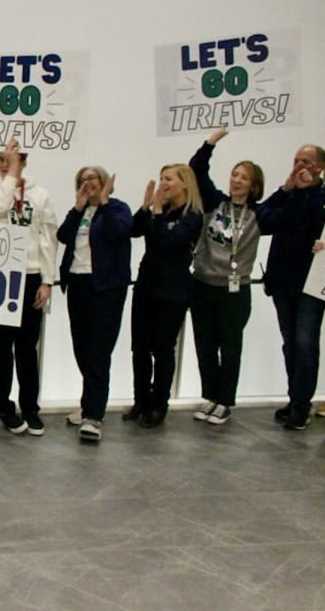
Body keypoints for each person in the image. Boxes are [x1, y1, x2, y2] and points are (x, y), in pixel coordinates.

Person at [0, 139, 58, 436]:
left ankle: (30, 408)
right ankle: (3, 406)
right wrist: (10, 177)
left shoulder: (41, 195)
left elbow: (48, 237)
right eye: (0, 159)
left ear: (24, 160)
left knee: (27, 347)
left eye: (10, 159)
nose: (3, 164)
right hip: (0, 277)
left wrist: (47, 280)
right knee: (1, 347)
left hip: (31, 275)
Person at [188, 127, 265, 426]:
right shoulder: (214, 202)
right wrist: (211, 142)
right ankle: (210, 395)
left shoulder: (260, 213)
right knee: (204, 344)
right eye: (234, 174)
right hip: (203, 284)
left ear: (254, 185)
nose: (236, 180)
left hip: (235, 290)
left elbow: (288, 210)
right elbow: (197, 170)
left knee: (230, 346)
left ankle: (225, 401)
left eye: (244, 177)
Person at [125, 164, 203, 428]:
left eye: (168, 179)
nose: (163, 184)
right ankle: (141, 400)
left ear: (185, 183)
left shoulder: (192, 216)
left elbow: (170, 244)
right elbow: (134, 230)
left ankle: (160, 404)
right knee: (140, 348)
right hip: (146, 286)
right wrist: (146, 207)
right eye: (161, 179)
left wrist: (157, 213)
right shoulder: (159, 211)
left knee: (163, 349)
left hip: (172, 291)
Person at [58, 166, 131, 442]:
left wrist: (104, 202)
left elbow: (119, 232)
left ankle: (93, 415)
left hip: (106, 288)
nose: (87, 183)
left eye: (92, 178)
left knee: (99, 351)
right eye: (82, 179)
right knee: (82, 349)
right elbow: (63, 236)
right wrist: (77, 208)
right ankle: (89, 402)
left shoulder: (117, 209)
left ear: (104, 183)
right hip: (78, 285)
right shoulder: (79, 211)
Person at [256, 144, 325, 430]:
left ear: (319, 167)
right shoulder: (287, 194)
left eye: (306, 161)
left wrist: (304, 192)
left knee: (305, 342)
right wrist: (286, 190)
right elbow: (263, 220)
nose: (299, 166)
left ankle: (301, 403)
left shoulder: (319, 197)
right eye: (296, 160)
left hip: (311, 282)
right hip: (282, 280)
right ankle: (294, 397)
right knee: (290, 343)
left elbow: (310, 219)